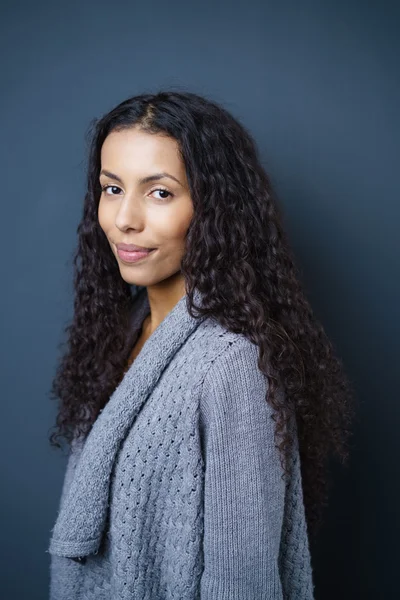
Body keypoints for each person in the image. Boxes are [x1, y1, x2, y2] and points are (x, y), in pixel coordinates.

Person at [47, 90, 355, 599]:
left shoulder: (232, 364)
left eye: (160, 192)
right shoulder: (127, 330)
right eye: (111, 188)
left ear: (214, 209)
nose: (125, 218)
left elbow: (242, 583)